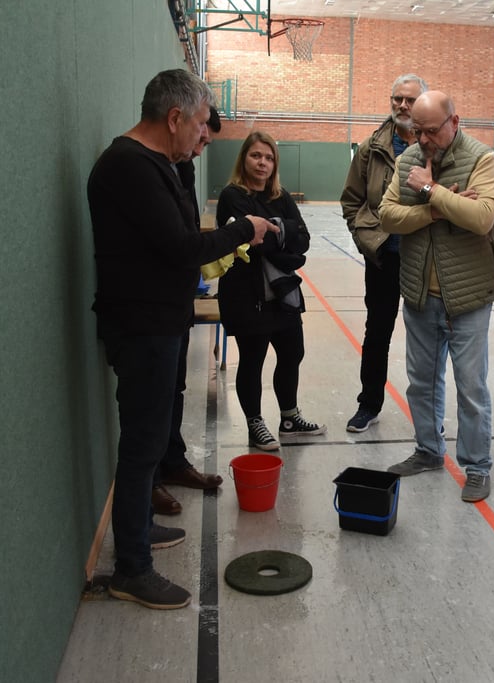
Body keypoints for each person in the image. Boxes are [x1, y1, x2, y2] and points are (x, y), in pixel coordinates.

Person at [87, 69, 276, 609]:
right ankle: (132, 569)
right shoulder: (129, 166)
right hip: (141, 327)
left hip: (159, 322)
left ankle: (139, 529)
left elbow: (181, 230)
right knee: (141, 444)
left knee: (150, 440)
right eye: (198, 125)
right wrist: (245, 229)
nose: (203, 135)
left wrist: (190, 160)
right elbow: (182, 247)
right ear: (174, 117)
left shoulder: (158, 164)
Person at [378, 90, 494, 504]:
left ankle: (477, 466)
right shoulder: (408, 162)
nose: (423, 139)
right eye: (417, 130)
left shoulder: (482, 159)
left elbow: (481, 217)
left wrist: (431, 190)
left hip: (468, 297)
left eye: (431, 130)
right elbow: (387, 215)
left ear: (455, 121)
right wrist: (435, 209)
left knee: (471, 387)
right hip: (420, 294)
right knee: (421, 382)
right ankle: (429, 450)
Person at [216, 131, 326, 452]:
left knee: (293, 352)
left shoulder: (281, 196)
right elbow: (255, 242)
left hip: (282, 291)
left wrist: (272, 229)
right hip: (247, 293)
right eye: (256, 156)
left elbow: (303, 240)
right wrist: (282, 232)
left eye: (268, 158)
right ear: (244, 159)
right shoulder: (232, 196)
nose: (262, 163)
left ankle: (289, 418)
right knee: (253, 359)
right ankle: (255, 424)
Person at [340, 74, 427, 433]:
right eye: (397, 99)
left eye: (410, 100)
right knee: (377, 332)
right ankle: (369, 404)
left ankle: (427, 416)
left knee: (426, 339)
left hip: (423, 259)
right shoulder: (371, 147)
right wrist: (366, 239)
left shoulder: (435, 146)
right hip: (383, 258)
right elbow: (351, 200)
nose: (402, 105)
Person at [151, 111, 228, 518]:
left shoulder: (182, 168)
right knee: (152, 403)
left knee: (175, 390)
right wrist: (237, 234)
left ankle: (173, 461)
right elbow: (181, 244)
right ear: (177, 120)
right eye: (199, 138)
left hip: (177, 305)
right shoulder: (144, 170)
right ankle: (151, 482)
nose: (199, 149)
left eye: (206, 144)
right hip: (150, 314)